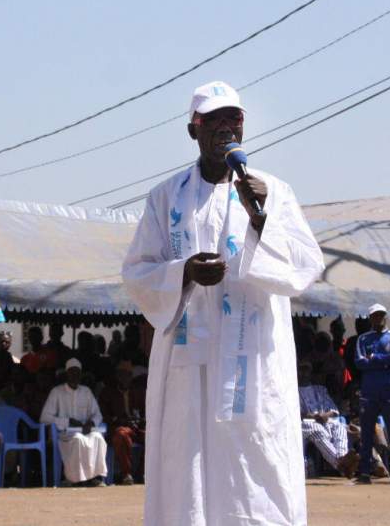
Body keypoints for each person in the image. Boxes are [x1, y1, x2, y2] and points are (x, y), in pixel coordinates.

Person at [121, 81, 324, 525]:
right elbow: (137, 272)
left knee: (256, 465)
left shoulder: (273, 192)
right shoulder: (165, 197)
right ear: (193, 130)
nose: (225, 128)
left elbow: (306, 267)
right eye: (213, 120)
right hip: (188, 365)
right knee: (186, 465)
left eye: (233, 119)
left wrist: (261, 223)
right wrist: (183, 273)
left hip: (254, 360)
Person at [354, 304, 390, 485]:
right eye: (374, 316)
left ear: (385, 317)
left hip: (389, 392)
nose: (377, 319)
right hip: (369, 393)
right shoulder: (363, 339)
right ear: (370, 318)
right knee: (367, 434)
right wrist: (384, 361)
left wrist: (375, 359)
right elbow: (360, 362)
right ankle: (364, 472)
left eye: (380, 315)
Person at [40, 358, 107, 486]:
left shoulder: (86, 391)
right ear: (66, 374)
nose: (75, 375)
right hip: (65, 433)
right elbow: (45, 417)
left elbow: (97, 414)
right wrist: (68, 421)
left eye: (77, 372)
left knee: (98, 438)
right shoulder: (57, 392)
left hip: (86, 430)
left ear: (81, 375)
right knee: (77, 439)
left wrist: (91, 423)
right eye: (72, 372)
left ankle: (94, 477)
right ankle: (74, 479)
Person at [297, 361, 358, 478]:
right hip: (304, 423)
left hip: (324, 419)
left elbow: (333, 409)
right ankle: (341, 464)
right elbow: (294, 412)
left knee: (339, 427)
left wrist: (325, 415)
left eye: (306, 369)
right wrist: (313, 416)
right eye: (301, 369)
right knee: (317, 430)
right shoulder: (293, 390)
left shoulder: (320, 389)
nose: (304, 373)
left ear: (311, 372)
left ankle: (342, 458)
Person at [98, 360, 145, 485]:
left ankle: (142, 473)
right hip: (119, 428)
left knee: (152, 436)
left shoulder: (139, 391)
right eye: (121, 374)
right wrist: (118, 420)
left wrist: (141, 421)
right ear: (117, 376)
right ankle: (126, 474)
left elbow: (146, 411)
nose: (124, 378)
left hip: (137, 428)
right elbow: (103, 415)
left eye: (127, 374)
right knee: (121, 434)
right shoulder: (108, 392)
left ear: (131, 376)